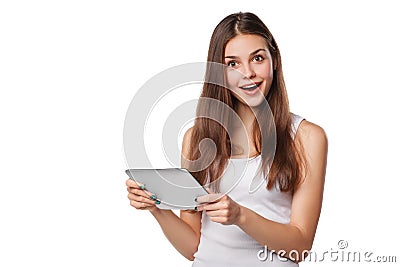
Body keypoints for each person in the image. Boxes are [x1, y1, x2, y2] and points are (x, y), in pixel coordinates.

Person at [126, 12, 328, 266]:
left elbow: (301, 246)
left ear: (274, 59)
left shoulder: (306, 137)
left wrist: (241, 216)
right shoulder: (196, 138)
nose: (248, 73)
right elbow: (193, 248)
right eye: (233, 64)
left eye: (257, 58)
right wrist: (157, 208)